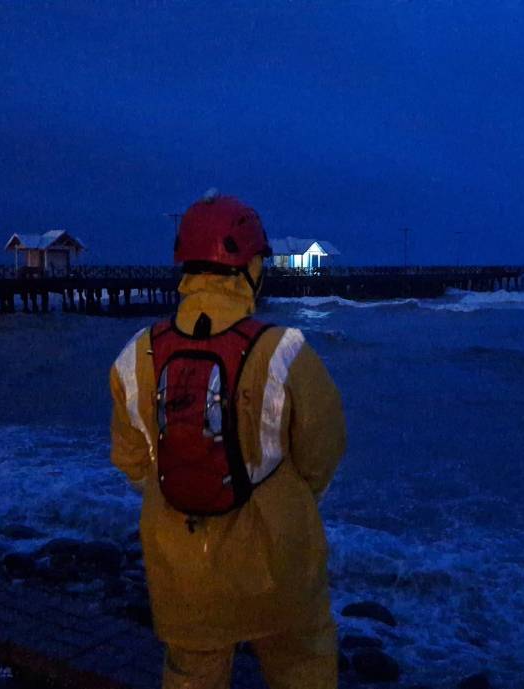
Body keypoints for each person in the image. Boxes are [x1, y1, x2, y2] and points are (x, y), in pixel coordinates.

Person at [109, 191, 346, 689]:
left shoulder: (136, 354)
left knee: (192, 672)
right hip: (276, 558)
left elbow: (131, 460)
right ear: (247, 266)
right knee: (302, 664)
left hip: (182, 561)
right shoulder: (285, 351)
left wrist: (186, 485)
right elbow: (324, 449)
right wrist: (287, 499)